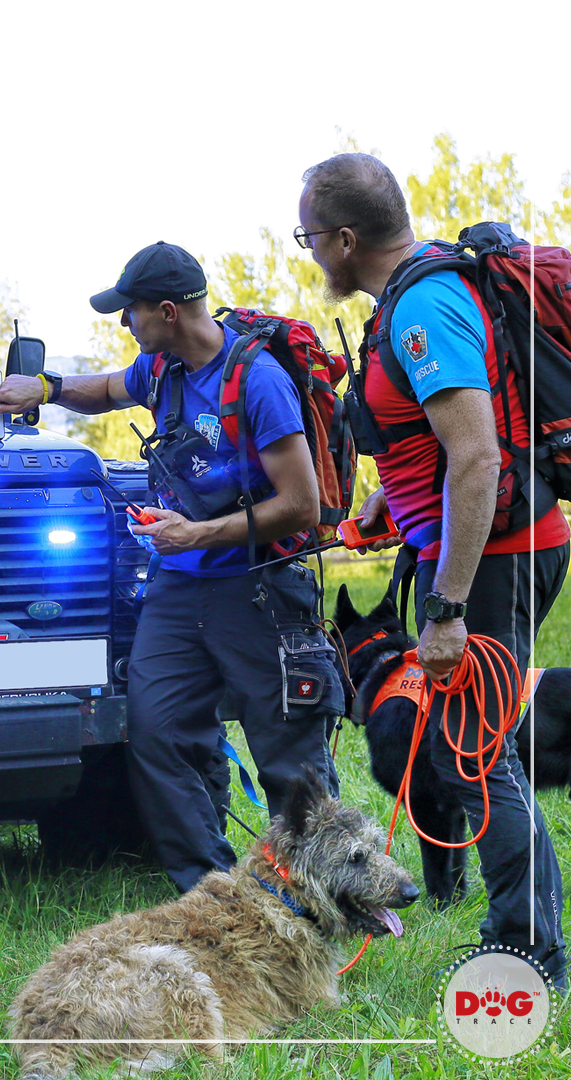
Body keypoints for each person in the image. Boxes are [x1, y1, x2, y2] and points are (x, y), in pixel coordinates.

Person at [0, 241, 342, 893]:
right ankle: (212, 889)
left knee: (288, 759)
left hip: (257, 591)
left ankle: (328, 897)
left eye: (131, 312)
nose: (125, 324)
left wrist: (197, 532)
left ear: (168, 311)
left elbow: (303, 505)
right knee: (157, 730)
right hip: (180, 587)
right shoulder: (161, 368)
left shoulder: (257, 381)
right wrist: (48, 387)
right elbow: (108, 388)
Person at [298, 153, 568, 988]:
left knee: (478, 756)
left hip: (499, 557)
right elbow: (428, 441)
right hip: (466, 550)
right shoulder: (403, 303)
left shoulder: (423, 308)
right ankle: (524, 934)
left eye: (310, 237)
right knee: (468, 753)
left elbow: (477, 457)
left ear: (346, 239)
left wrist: (447, 607)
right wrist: (393, 503)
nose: (308, 252)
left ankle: (530, 950)